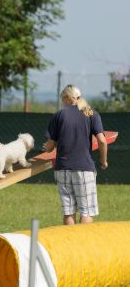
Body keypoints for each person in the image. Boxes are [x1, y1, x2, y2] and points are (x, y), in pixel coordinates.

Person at [43, 84, 108, 225]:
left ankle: (69, 244)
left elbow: (49, 147)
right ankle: (84, 245)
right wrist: (103, 161)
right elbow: (102, 141)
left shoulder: (58, 115)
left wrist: (47, 147)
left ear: (67, 98)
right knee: (86, 212)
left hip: (62, 169)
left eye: (62, 100)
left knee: (68, 212)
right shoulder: (91, 113)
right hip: (84, 168)